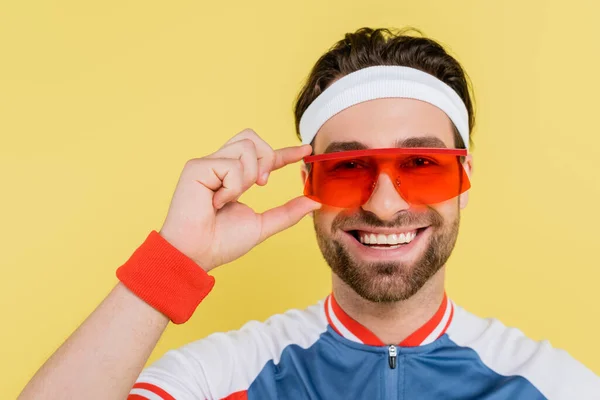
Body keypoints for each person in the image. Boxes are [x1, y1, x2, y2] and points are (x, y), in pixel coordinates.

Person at [19, 27, 600, 400]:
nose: (385, 203)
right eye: (348, 168)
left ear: (465, 180)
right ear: (308, 184)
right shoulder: (226, 376)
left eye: (422, 163)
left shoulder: (554, 387)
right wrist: (174, 260)